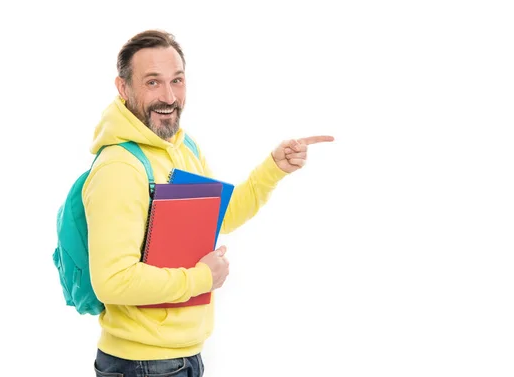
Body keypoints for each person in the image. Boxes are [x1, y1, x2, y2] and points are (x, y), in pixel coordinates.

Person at [83, 29, 334, 377]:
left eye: (177, 80)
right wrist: (202, 278)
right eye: (152, 82)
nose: (169, 96)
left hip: (182, 358)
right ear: (123, 88)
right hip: (142, 364)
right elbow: (112, 281)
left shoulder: (185, 150)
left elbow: (223, 217)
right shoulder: (120, 167)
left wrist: (274, 167)